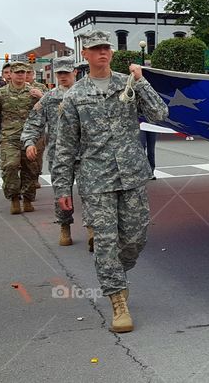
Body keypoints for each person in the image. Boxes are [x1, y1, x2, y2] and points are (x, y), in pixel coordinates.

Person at [52, 30, 169, 333]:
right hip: (96, 179)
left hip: (131, 174)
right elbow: (64, 146)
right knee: (105, 241)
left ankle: (116, 272)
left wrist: (142, 81)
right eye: (96, 49)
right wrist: (62, 189)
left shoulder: (128, 84)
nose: (102, 53)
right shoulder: (75, 95)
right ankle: (118, 300)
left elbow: (159, 113)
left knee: (135, 237)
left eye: (106, 48)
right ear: (86, 55)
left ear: (112, 53)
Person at [20, 57, 86, 247]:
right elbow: (33, 122)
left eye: (67, 72)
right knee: (61, 194)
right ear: (56, 75)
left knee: (91, 193)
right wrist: (30, 142)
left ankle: (92, 229)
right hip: (59, 156)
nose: (63, 76)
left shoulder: (86, 95)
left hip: (86, 154)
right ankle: (65, 227)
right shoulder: (48, 99)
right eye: (60, 73)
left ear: (74, 72)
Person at [0, 62, 42, 214]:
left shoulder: (34, 92)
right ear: (10, 75)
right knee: (10, 166)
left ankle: (28, 199)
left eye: (23, 72)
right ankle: (14, 198)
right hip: (9, 137)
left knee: (30, 169)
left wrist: (41, 97)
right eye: (17, 72)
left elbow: (49, 110)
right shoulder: (1, 93)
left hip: (31, 138)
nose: (20, 75)